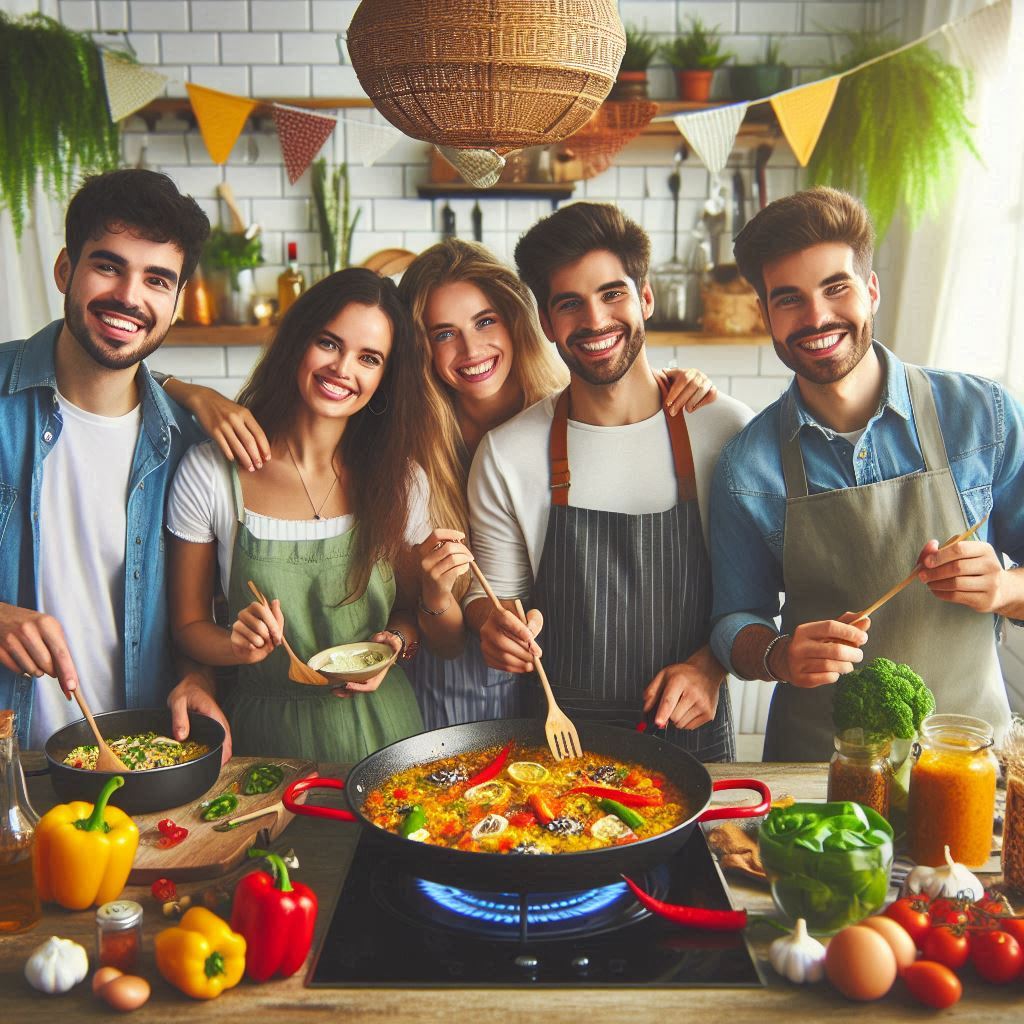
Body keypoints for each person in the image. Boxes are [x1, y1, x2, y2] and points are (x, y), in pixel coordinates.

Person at [709, 186, 1024, 761]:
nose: (817, 318)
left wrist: (1004, 589)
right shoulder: (746, 467)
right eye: (789, 300)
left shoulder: (985, 416)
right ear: (766, 316)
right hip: (817, 773)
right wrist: (779, 654)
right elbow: (733, 619)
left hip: (971, 761)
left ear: (871, 290)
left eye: (836, 288)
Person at [465, 203, 753, 761]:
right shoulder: (507, 452)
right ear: (547, 323)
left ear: (646, 298)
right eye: (570, 303)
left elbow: (761, 594)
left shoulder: (725, 430)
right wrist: (492, 625)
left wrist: (712, 665)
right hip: (555, 746)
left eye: (612, 294)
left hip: (692, 739)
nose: (595, 320)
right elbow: (495, 596)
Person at [397, 238, 718, 730]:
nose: (471, 350)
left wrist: (670, 382)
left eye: (485, 322)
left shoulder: (573, 414)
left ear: (519, 323)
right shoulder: (414, 461)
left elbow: (627, 387)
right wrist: (448, 600)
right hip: (456, 695)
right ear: (423, 349)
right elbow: (449, 636)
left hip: (554, 696)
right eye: (444, 334)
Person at [0, 168, 233, 754]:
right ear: (64, 270)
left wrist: (198, 679)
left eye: (157, 279)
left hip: (141, 759)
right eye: (108, 265)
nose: (130, 296)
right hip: (12, 760)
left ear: (178, 303)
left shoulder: (191, 446)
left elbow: (194, 618)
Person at [166, 268, 440, 762]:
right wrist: (236, 644)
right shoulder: (211, 470)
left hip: (389, 733)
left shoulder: (402, 478)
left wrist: (393, 645)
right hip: (264, 740)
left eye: (369, 358)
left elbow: (411, 613)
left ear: (385, 377)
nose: (343, 369)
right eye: (329, 343)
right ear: (298, 341)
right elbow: (187, 625)